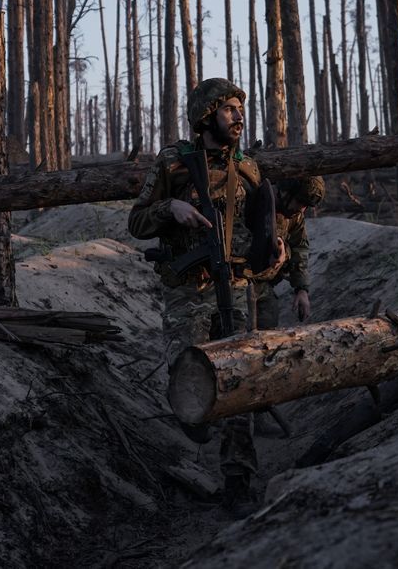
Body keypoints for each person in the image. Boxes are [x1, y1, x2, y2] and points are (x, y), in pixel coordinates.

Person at [128, 77, 280, 513]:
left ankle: (238, 478)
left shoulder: (249, 169)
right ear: (206, 114)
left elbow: (262, 226)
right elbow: (135, 223)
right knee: (186, 375)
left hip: (234, 287)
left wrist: (274, 248)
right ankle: (195, 415)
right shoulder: (174, 164)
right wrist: (169, 209)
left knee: (241, 381)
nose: (238, 115)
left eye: (239, 108)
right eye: (229, 108)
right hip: (187, 290)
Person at [252, 176, 324, 330]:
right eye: (300, 202)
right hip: (236, 281)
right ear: (285, 192)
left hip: (263, 284)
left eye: (306, 206)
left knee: (268, 322)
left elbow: (300, 247)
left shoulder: (295, 215)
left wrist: (302, 289)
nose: (301, 209)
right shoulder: (253, 201)